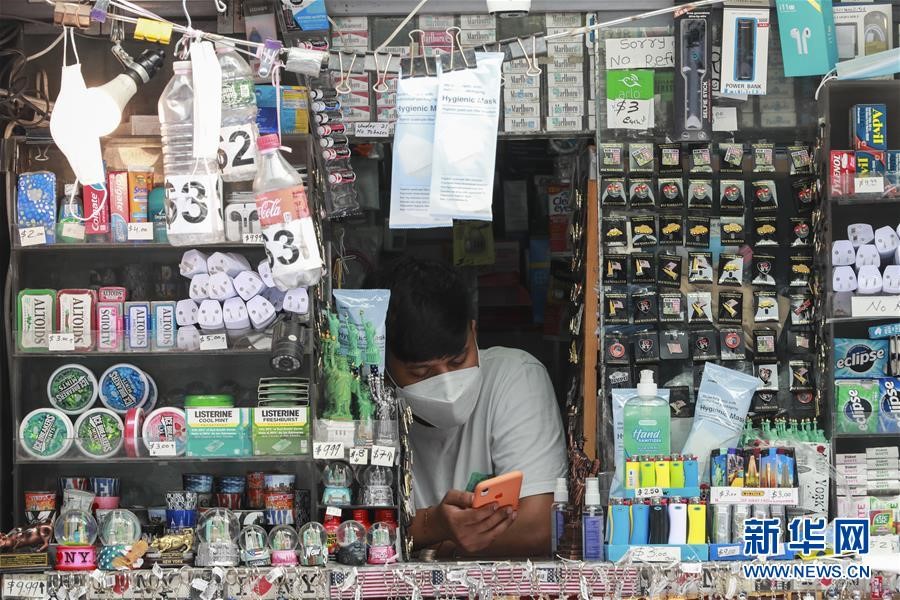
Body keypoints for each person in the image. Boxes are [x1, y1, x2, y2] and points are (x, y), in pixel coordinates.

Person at [382, 256, 567, 558]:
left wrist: (438, 545)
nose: (446, 384)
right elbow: (346, 532)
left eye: (458, 361)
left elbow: (539, 526)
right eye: (421, 373)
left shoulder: (514, 376)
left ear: (473, 332)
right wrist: (433, 525)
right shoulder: (367, 405)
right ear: (384, 362)